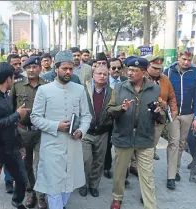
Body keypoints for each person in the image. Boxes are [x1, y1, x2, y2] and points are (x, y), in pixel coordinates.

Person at [30, 50, 92, 209]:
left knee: (69, 184)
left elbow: (86, 116)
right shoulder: (44, 90)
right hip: (51, 145)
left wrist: (82, 130)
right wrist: (56, 125)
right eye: (64, 68)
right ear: (56, 68)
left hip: (73, 145)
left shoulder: (79, 89)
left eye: (71, 69)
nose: (68, 72)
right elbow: (35, 117)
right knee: (53, 185)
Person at [108, 57, 166, 209]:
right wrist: (122, 108)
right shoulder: (119, 88)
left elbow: (162, 116)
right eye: (129, 69)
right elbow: (110, 111)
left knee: (147, 175)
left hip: (145, 137)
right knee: (119, 173)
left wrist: (158, 113)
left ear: (144, 73)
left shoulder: (155, 90)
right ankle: (117, 198)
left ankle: (150, 205)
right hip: (123, 136)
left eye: (134, 70)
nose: (130, 72)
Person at [0, 62, 29, 209]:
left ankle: (17, 201)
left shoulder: (6, 95)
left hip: (11, 147)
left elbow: (11, 124)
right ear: (8, 79)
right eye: (13, 78)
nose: (13, 81)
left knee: (22, 179)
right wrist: (17, 115)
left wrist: (20, 144)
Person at [10, 56, 49, 209]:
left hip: (42, 132)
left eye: (34, 67)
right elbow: (12, 108)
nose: (31, 70)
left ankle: (41, 196)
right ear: (25, 70)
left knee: (40, 165)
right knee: (25, 165)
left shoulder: (47, 85)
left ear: (40, 68)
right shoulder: (17, 86)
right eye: (28, 68)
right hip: (23, 132)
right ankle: (29, 193)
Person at [163, 49, 196, 190]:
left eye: (189, 60)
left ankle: (176, 170)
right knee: (174, 143)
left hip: (188, 114)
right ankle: (171, 176)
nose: (186, 62)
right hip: (173, 113)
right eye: (183, 59)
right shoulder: (168, 71)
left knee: (181, 143)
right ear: (178, 58)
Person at [79, 65, 113, 198]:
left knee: (99, 161)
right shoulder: (83, 89)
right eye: (99, 73)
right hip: (86, 132)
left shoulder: (111, 91)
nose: (102, 76)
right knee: (86, 160)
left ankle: (93, 185)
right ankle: (83, 184)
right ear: (93, 75)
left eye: (105, 74)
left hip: (102, 132)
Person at [144, 54, 178, 160]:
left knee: (155, 138)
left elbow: (172, 97)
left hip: (159, 117)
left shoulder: (165, 79)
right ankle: (135, 163)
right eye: (154, 68)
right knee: (142, 143)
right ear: (147, 67)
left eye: (159, 68)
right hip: (144, 115)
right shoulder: (141, 78)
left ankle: (152, 151)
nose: (158, 71)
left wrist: (174, 111)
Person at [103, 58, 128, 179]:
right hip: (107, 118)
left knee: (123, 146)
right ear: (108, 69)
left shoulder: (126, 81)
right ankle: (107, 167)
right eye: (113, 68)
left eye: (119, 68)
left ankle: (124, 173)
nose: (116, 70)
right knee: (107, 145)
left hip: (123, 117)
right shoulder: (103, 81)